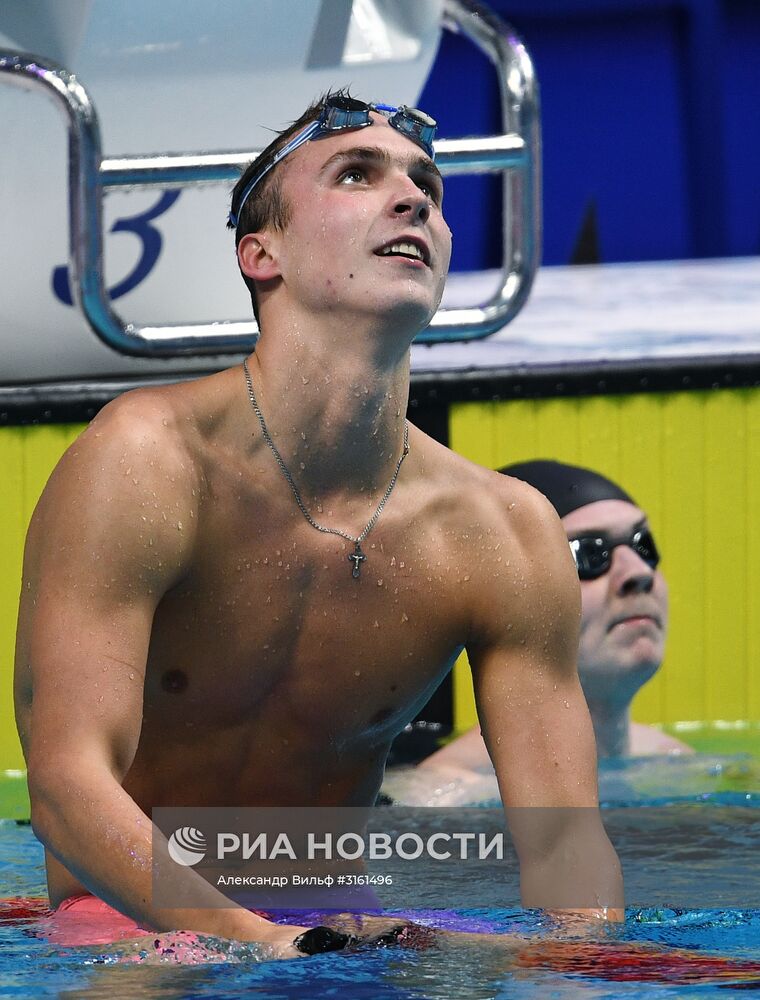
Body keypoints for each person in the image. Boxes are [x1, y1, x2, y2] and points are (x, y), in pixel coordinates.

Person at [14, 94, 622, 959]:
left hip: (347, 930)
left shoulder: (504, 532)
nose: (413, 200)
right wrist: (259, 941)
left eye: (427, 186)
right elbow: (66, 789)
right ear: (263, 254)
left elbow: (566, 849)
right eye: (356, 176)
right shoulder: (145, 463)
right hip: (130, 923)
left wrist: (583, 965)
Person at [418, 459, 691, 786]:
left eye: (643, 545)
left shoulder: (676, 762)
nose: (638, 573)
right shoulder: (445, 795)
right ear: (503, 601)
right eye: (588, 554)